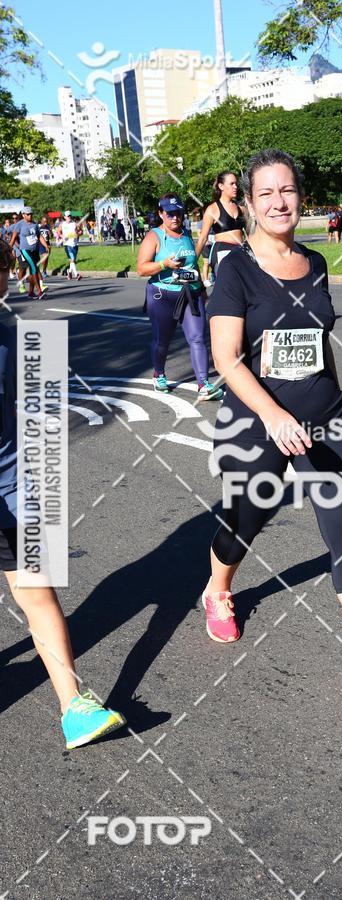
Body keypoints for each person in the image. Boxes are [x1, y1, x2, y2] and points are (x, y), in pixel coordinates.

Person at [205, 148, 342, 695]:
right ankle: (217, 590)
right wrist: (275, 413)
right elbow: (226, 358)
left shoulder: (316, 262)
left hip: (325, 415)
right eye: (266, 193)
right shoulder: (235, 269)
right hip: (258, 418)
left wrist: (328, 403)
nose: (279, 202)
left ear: (300, 197)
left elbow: (317, 345)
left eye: (288, 190)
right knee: (245, 520)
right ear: (250, 203)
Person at [0, 239, 127, 749]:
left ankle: (73, 706)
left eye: (3, 269)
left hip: (13, 486)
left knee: (37, 589)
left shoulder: (16, 338)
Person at [136, 193, 223, 400]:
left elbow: (192, 265)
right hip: (162, 295)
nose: (175, 217)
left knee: (198, 338)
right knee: (162, 341)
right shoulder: (154, 236)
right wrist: (164, 264)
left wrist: (201, 289)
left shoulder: (185, 234)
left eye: (178, 213)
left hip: (190, 294)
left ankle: (203, 384)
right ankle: (159, 374)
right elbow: (141, 269)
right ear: (161, 214)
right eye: (170, 214)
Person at [195, 171, 247, 278]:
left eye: (236, 183)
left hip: (240, 252)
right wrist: (192, 262)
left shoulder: (242, 209)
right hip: (222, 252)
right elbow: (203, 238)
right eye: (232, 184)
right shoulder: (212, 209)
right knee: (227, 290)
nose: (235, 187)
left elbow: (252, 235)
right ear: (221, 186)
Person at [8, 206, 48, 299]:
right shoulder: (19, 224)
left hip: (35, 250)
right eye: (28, 214)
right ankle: (39, 292)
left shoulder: (34, 224)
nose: (30, 216)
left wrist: (45, 245)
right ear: (23, 215)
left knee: (33, 271)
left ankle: (30, 292)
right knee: (33, 268)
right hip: (25, 250)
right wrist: (9, 249)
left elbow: (39, 236)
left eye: (31, 214)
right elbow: (13, 238)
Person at [56, 211, 83, 280]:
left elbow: (81, 231)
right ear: (64, 217)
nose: (69, 217)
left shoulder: (74, 224)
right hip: (67, 244)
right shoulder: (62, 224)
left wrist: (78, 234)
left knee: (73, 260)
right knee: (72, 260)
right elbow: (58, 232)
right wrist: (62, 236)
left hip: (75, 244)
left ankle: (69, 272)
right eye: (67, 216)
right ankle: (77, 274)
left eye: (70, 216)